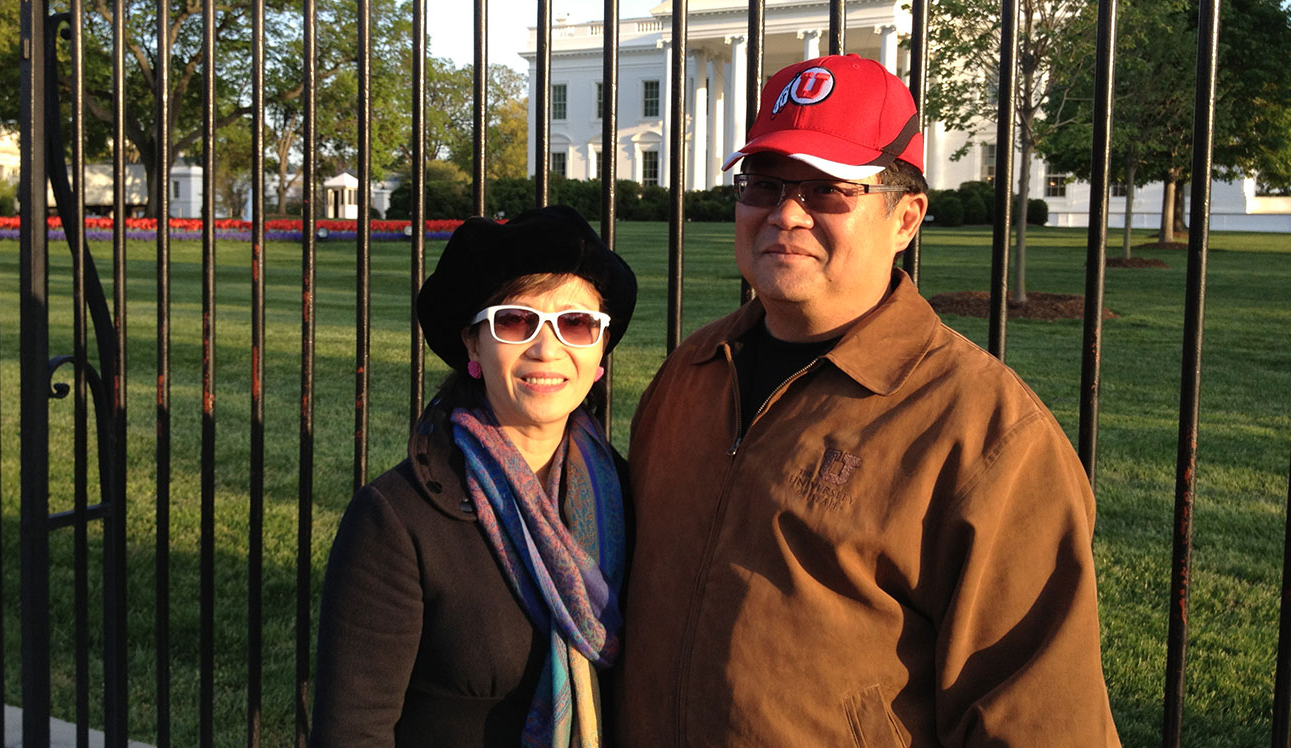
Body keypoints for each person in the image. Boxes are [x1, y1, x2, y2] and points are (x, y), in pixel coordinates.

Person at [618, 54, 1121, 747]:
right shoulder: (690, 374)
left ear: (907, 218)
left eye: (828, 190)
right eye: (763, 185)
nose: (785, 214)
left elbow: (1038, 719)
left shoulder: (986, 433)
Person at [311, 205, 637, 747]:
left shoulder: (630, 498)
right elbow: (352, 731)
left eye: (576, 323)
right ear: (473, 346)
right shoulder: (397, 520)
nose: (546, 347)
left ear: (600, 350)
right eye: (515, 320)